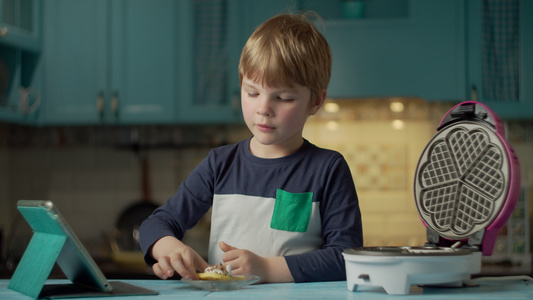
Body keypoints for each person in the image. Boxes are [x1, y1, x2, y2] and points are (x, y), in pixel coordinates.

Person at [139, 12, 363, 283]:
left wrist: (267, 269)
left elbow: (345, 257)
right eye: (252, 92)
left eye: (283, 97)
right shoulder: (219, 164)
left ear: (315, 102)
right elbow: (156, 223)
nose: (263, 109)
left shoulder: (328, 169)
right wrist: (168, 248)